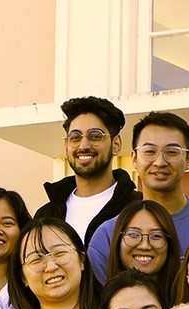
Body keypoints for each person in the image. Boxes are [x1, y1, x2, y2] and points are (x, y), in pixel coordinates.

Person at [86, 111, 189, 279]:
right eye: (149, 151)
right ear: (134, 158)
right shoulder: (108, 235)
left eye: (172, 152)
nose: (160, 162)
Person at [36, 96, 137, 246]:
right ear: (66, 145)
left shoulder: (136, 207)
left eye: (95, 136)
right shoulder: (46, 214)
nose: (83, 145)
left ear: (116, 144)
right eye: (75, 137)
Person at [103, 199, 184, 309]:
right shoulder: (100, 305)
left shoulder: (188, 304)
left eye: (156, 236)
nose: (144, 246)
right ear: (118, 240)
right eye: (134, 234)